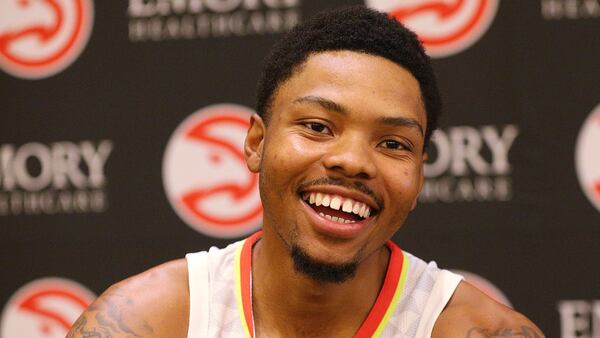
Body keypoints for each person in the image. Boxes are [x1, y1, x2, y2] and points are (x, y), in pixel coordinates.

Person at [68, 6, 545, 338]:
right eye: (318, 126)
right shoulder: (144, 323)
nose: (354, 162)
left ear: (420, 177)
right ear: (257, 143)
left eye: (393, 144)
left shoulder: (478, 331)